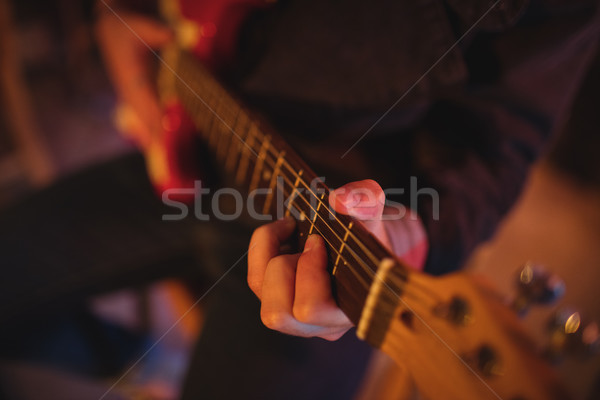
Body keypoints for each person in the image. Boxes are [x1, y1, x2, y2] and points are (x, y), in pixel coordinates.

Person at [1, 0, 597, 398]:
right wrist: (120, 23)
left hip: (325, 249)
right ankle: (115, 351)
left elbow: (495, 147)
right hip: (189, 150)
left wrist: (415, 229)